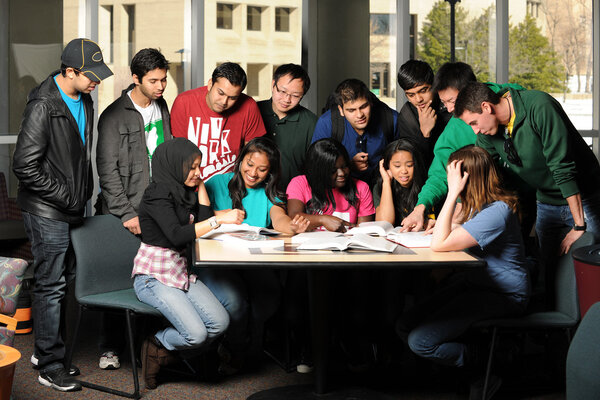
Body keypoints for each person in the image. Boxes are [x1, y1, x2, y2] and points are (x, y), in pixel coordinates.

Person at [12, 38, 112, 392]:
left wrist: (78, 195)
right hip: (46, 210)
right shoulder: (44, 105)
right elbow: (23, 165)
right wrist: (66, 195)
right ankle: (49, 365)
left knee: (61, 280)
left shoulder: (84, 99)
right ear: (70, 71)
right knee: (52, 284)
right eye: (91, 75)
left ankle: (46, 353)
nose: (96, 82)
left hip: (70, 208)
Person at [398, 146, 530, 398]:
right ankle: (472, 373)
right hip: (475, 284)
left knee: (420, 342)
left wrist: (452, 195)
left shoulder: (497, 211)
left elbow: (439, 244)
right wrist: (446, 219)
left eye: (453, 176)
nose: (450, 181)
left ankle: (492, 363)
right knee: (405, 324)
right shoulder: (476, 205)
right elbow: (454, 227)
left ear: (466, 179)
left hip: (503, 294)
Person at [454, 81, 600, 303]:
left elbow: (562, 167)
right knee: (551, 273)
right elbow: (479, 174)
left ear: (486, 107)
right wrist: (454, 216)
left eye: (474, 122)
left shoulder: (539, 106)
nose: (476, 130)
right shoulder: (487, 134)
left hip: (585, 198)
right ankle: (557, 334)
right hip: (546, 201)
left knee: (591, 273)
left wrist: (579, 224)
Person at [132, 138, 241, 389]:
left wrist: (200, 188)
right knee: (197, 334)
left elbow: (201, 224)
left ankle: (161, 351)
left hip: (179, 273)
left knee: (221, 323)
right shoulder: (156, 193)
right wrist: (218, 221)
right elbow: (178, 235)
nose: (198, 172)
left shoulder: (184, 192)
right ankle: (156, 342)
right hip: (152, 277)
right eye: (192, 167)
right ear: (174, 165)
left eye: (199, 167)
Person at [201, 136, 309, 375]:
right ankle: (237, 351)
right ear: (241, 160)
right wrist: (222, 215)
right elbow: (198, 216)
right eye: (249, 164)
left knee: (268, 297)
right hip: (217, 263)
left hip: (252, 263)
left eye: (262, 169)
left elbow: (280, 218)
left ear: (270, 172)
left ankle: (248, 349)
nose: (253, 173)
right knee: (236, 301)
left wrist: (292, 226)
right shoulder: (217, 183)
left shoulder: (268, 193)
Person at [95, 48, 171, 370]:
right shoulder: (114, 115)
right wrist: (127, 213)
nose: (161, 87)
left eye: (164, 79)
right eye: (153, 80)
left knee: (153, 279)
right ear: (135, 78)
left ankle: (147, 348)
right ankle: (110, 347)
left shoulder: (162, 106)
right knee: (118, 278)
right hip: (122, 211)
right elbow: (107, 171)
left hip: (156, 210)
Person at [399, 62, 525, 232]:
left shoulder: (516, 99)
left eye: (452, 101)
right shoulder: (455, 127)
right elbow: (440, 172)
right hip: (496, 203)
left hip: (536, 195)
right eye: (445, 103)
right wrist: (421, 207)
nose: (450, 109)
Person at [170, 62, 266, 181]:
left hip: (230, 187)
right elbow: (178, 153)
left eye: (232, 98)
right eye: (220, 93)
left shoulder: (249, 106)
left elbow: (253, 156)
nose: (224, 102)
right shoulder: (184, 102)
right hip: (190, 185)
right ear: (210, 84)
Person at [311, 79, 398, 186]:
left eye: (364, 106)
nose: (359, 115)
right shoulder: (327, 123)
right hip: (342, 188)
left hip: (383, 186)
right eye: (351, 110)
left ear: (370, 102)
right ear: (341, 110)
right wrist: (346, 166)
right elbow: (316, 168)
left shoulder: (391, 119)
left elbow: (406, 160)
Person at [258, 64, 317, 189]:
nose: (286, 99)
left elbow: (316, 167)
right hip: (253, 193)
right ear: (273, 85)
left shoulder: (312, 123)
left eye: (295, 96)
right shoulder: (254, 111)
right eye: (282, 91)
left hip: (292, 196)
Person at [395, 60, 451, 169]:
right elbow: (413, 164)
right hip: (426, 175)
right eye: (411, 95)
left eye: (423, 90)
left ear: (434, 85)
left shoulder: (450, 104)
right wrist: (425, 134)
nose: (418, 99)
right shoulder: (407, 115)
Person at [374, 138, 429, 227]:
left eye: (409, 165)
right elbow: (384, 224)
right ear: (387, 166)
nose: (404, 171)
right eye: (397, 166)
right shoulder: (380, 187)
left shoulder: (429, 186)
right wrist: (386, 182)